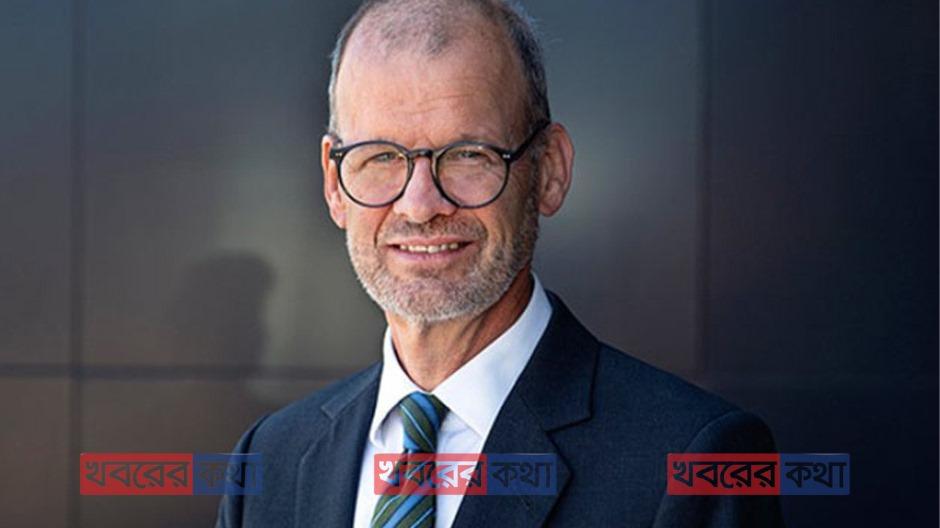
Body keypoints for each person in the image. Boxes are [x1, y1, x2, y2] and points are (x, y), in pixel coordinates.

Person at [216, 0, 785, 526]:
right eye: (381, 156)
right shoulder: (271, 460)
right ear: (334, 183)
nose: (420, 205)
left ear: (550, 170)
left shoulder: (694, 462)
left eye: (468, 155)